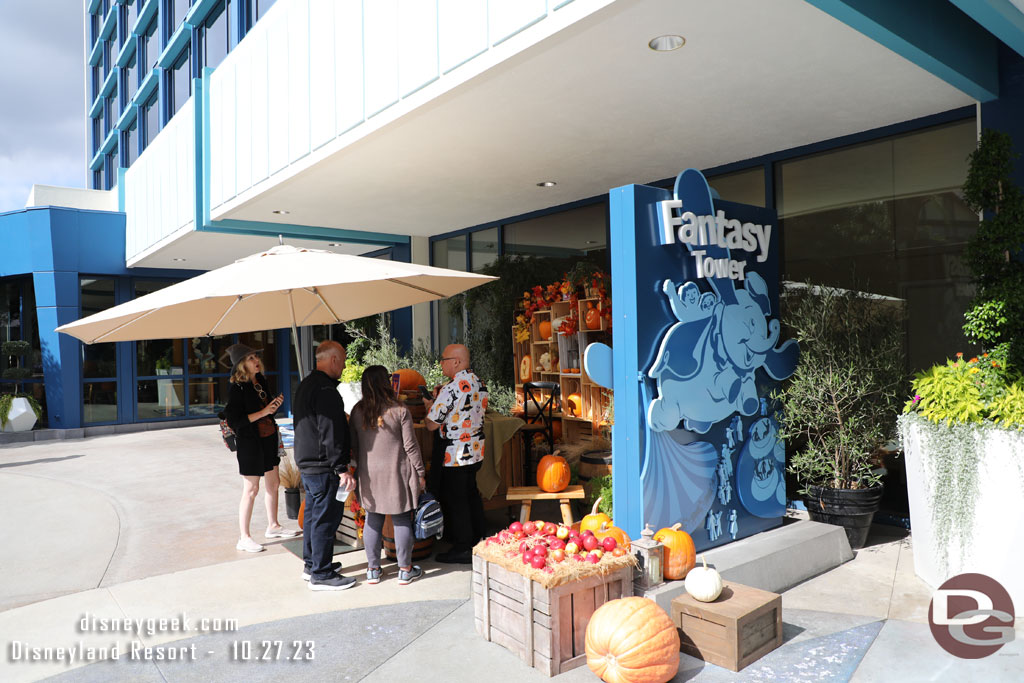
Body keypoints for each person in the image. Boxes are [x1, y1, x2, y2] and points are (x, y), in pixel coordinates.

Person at [350, 365, 427, 585]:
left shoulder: (357, 411)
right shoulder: (400, 410)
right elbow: (411, 447)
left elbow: (353, 446)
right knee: (402, 518)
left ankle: (373, 570)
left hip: (369, 475)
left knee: (373, 518)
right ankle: (405, 570)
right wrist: (420, 472)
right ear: (387, 383)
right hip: (397, 472)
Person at [221, 343, 300, 553]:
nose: (256, 361)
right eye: (250, 359)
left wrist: (273, 406)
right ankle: (244, 537)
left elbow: (266, 412)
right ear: (241, 365)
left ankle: (273, 526)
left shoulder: (261, 381)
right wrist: (265, 411)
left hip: (268, 438)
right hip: (250, 442)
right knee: (251, 489)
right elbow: (235, 420)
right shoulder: (237, 387)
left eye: (256, 357)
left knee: (273, 484)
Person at [293, 340, 356, 591]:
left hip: (308, 464)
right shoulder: (326, 390)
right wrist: (341, 468)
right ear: (333, 360)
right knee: (324, 519)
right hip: (323, 466)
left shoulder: (307, 384)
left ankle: (312, 565)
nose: (343, 366)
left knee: (312, 516)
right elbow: (329, 430)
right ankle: (322, 573)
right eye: (342, 361)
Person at [424, 344, 488, 564]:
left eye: (444, 359)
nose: (441, 363)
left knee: (456, 499)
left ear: (457, 362)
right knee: (471, 494)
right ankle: (479, 539)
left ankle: (462, 547)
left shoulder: (452, 389)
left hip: (455, 453)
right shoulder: (479, 382)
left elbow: (431, 424)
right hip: (476, 451)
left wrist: (428, 406)